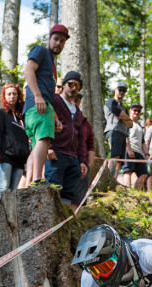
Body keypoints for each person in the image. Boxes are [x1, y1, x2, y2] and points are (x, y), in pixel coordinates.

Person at [23, 24, 69, 185]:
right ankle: (37, 180)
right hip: (38, 106)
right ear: (49, 39)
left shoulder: (52, 66)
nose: (58, 43)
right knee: (43, 139)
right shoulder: (41, 51)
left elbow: (50, 93)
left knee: (38, 145)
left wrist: (55, 117)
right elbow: (28, 70)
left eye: (62, 41)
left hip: (40, 108)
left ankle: (31, 183)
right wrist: (37, 96)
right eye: (56, 39)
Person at [44, 70, 89, 206]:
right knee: (53, 190)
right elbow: (46, 122)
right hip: (56, 154)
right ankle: (51, 222)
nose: (73, 88)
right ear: (63, 85)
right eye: (71, 84)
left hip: (73, 158)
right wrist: (49, 147)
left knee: (68, 194)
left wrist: (82, 161)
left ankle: (62, 223)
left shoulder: (78, 111)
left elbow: (80, 140)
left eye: (77, 86)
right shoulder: (54, 101)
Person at [0, 84, 31, 199]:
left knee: (13, 191)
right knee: (3, 188)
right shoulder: (0, 113)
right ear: (4, 96)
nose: (12, 96)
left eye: (14, 94)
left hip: (20, 159)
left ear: (18, 96)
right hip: (6, 156)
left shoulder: (22, 118)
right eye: (9, 94)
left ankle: (9, 216)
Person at [104, 81, 136, 179]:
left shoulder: (124, 107)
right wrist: (124, 117)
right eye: (120, 90)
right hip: (113, 131)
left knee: (119, 161)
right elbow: (117, 112)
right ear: (115, 90)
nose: (122, 92)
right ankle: (109, 179)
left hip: (122, 133)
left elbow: (130, 124)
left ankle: (113, 180)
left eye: (124, 90)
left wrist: (123, 116)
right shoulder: (111, 101)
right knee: (114, 156)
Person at [73, 92, 96, 201]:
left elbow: (90, 143)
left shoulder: (85, 122)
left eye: (77, 100)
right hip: (65, 161)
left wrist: (90, 163)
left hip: (83, 164)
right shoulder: (59, 117)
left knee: (79, 200)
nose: (74, 103)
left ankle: (75, 218)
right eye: (72, 100)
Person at [123, 103, 147, 189]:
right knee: (128, 171)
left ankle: (135, 192)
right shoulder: (126, 122)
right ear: (130, 110)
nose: (136, 112)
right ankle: (127, 192)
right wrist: (128, 149)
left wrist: (147, 154)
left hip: (139, 152)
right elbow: (124, 136)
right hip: (129, 149)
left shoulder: (140, 126)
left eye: (139, 111)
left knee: (144, 174)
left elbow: (143, 142)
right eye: (135, 110)